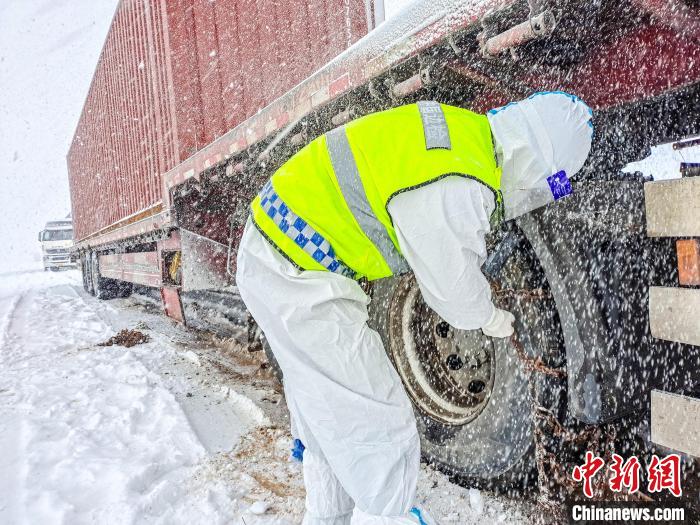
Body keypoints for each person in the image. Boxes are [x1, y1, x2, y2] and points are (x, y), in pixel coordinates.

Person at [236, 92, 593, 524]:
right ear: (538, 159)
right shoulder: (460, 184)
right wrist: (492, 318)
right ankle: (388, 516)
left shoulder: (465, 137)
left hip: (281, 249)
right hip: (294, 269)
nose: (541, 193)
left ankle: (326, 517)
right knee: (373, 416)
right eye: (553, 183)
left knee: (333, 408)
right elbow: (454, 291)